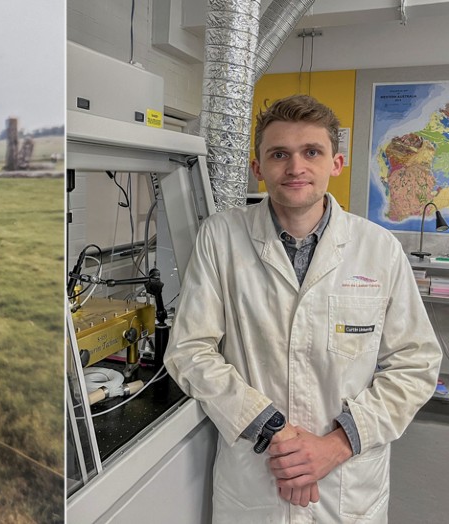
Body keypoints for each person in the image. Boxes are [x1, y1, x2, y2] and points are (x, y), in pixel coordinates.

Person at [164, 94, 442, 522]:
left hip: (346, 485)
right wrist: (272, 431)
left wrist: (336, 445)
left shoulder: (378, 248)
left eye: (311, 152)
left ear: (336, 163)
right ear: (258, 167)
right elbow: (190, 350)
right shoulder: (220, 238)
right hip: (255, 478)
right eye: (279, 154)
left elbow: (415, 362)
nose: (295, 168)